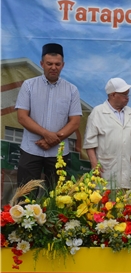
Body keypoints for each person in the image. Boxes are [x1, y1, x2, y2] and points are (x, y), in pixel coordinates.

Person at [15, 43, 82, 190]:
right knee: (25, 198)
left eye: (57, 64)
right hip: (31, 150)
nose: (53, 67)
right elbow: (22, 117)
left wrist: (52, 141)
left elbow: (75, 122)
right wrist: (47, 134)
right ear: (42, 64)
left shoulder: (72, 90)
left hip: (58, 154)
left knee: (57, 200)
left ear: (62, 65)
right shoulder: (29, 86)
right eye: (49, 64)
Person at [83, 78, 131, 189]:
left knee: (127, 201)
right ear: (112, 95)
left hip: (128, 170)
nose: (127, 98)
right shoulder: (98, 113)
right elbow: (89, 143)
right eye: (124, 95)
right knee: (106, 201)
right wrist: (94, 165)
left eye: (128, 95)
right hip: (106, 169)